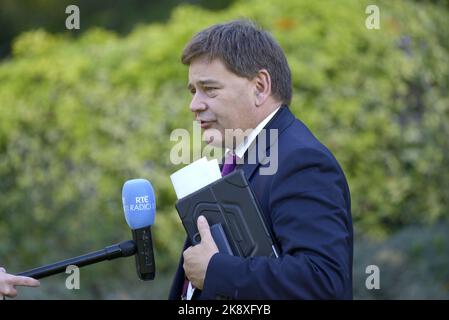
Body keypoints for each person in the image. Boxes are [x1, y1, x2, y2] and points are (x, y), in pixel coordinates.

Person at [169, 19, 353, 300]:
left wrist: (217, 271)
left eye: (210, 89)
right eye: (193, 90)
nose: (194, 105)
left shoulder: (301, 161)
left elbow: (323, 281)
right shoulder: (237, 158)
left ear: (260, 86)